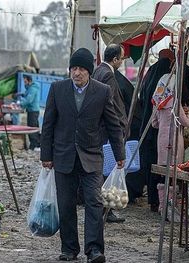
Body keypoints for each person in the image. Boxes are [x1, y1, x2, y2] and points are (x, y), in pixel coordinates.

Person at [40, 48, 125, 262]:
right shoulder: (58, 89)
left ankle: (94, 250)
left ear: (89, 71)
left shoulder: (102, 91)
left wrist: (119, 154)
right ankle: (69, 249)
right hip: (63, 156)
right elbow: (48, 125)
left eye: (81, 69)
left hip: (92, 156)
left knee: (95, 203)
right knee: (66, 204)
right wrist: (46, 156)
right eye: (73, 69)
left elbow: (113, 125)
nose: (77, 73)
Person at [92, 44, 127, 223]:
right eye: (121, 58)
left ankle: (103, 208)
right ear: (115, 60)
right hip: (107, 130)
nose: (122, 61)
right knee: (106, 170)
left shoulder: (98, 71)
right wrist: (120, 126)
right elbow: (111, 106)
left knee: (101, 169)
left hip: (99, 129)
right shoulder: (108, 75)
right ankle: (106, 208)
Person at [139, 49, 174, 212]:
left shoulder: (150, 73)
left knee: (150, 164)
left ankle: (154, 201)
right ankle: (163, 203)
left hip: (147, 125)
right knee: (163, 166)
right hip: (159, 131)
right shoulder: (166, 79)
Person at [152, 68, 189, 167]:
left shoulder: (156, 101)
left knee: (164, 167)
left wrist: (165, 124)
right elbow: (186, 122)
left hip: (162, 138)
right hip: (174, 138)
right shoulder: (174, 101)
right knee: (174, 168)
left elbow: (154, 123)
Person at [115, 69, 145, 203]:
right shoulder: (119, 80)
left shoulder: (115, 80)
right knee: (129, 161)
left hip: (129, 126)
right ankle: (130, 192)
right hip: (131, 125)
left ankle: (129, 191)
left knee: (128, 161)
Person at [18, 75, 40, 150]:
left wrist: (19, 104)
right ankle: (36, 144)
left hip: (33, 111)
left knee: (32, 128)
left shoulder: (33, 88)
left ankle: (33, 146)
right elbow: (27, 95)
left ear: (29, 81)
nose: (24, 83)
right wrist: (22, 94)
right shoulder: (30, 88)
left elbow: (29, 99)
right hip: (32, 110)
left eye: (25, 82)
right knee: (34, 127)